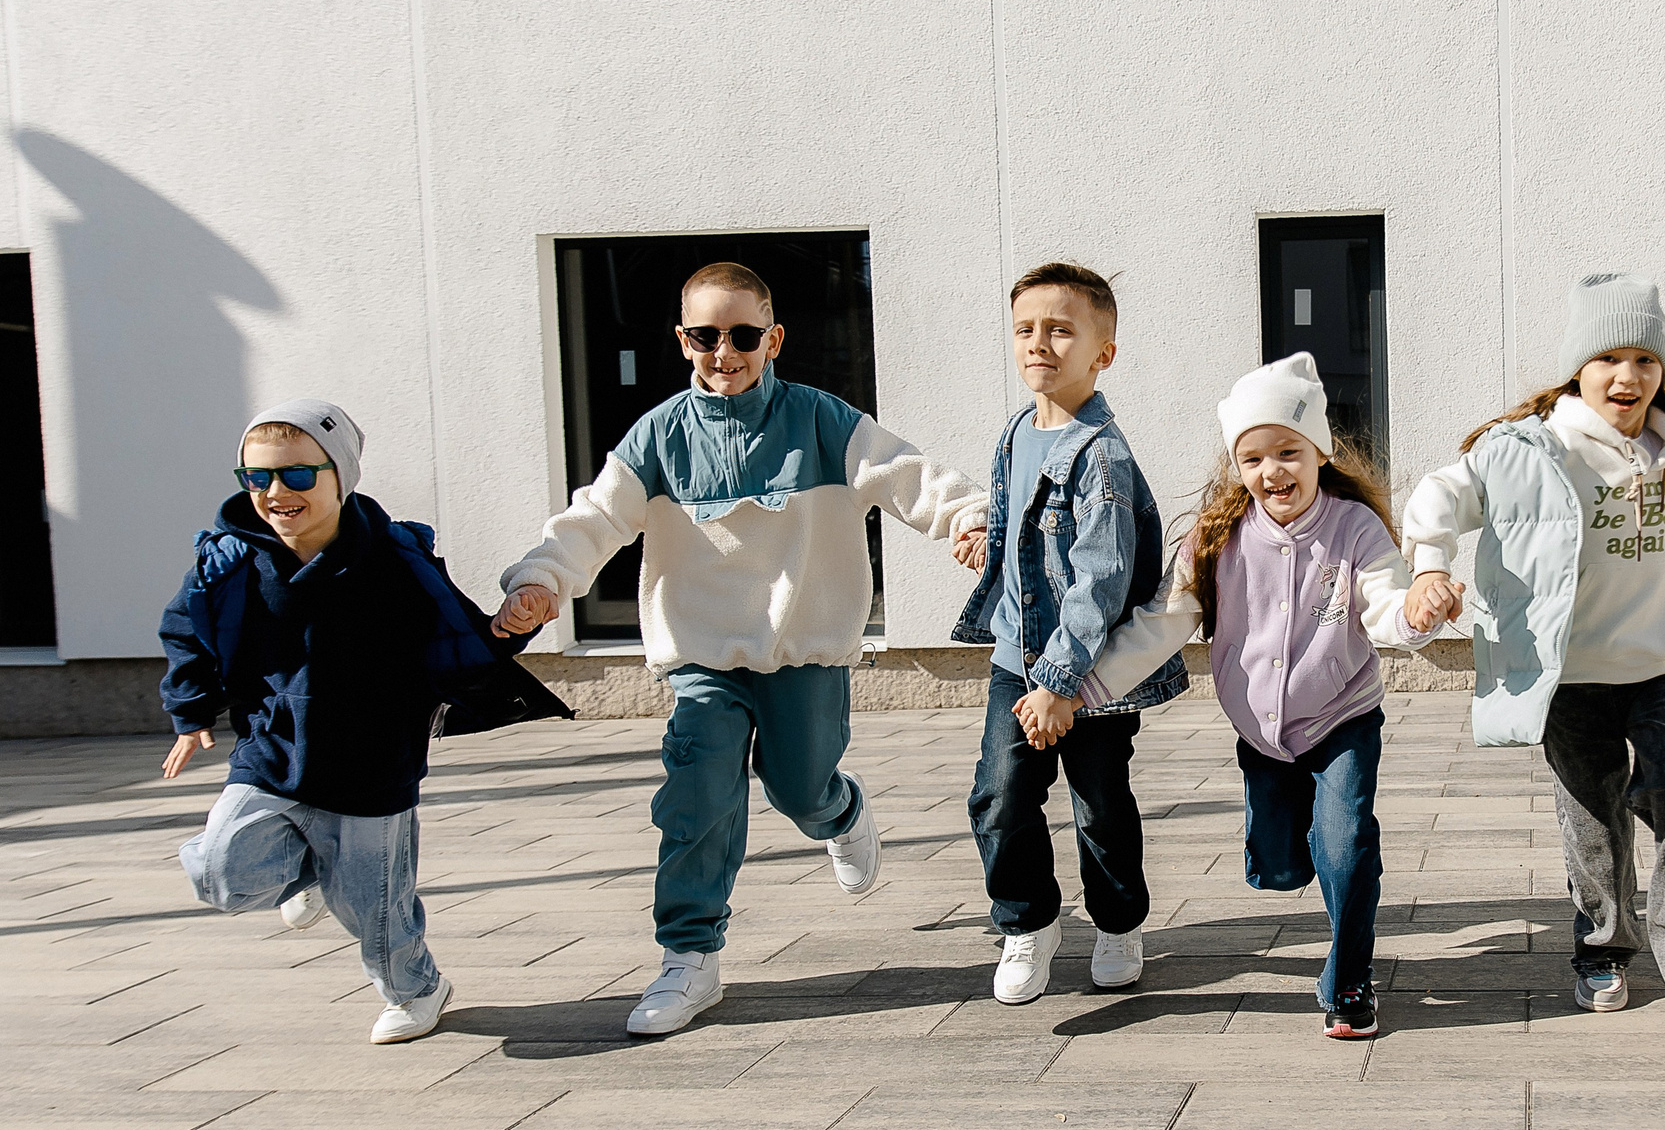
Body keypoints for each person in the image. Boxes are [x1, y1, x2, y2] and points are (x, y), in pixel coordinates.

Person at [495, 262, 988, 1036]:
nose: (723, 351)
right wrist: (542, 579)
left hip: (802, 652)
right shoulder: (658, 436)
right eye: (704, 335)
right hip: (701, 659)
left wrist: (968, 518)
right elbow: (594, 517)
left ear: (774, 339)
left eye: (743, 335)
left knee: (797, 786)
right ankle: (689, 955)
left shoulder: (823, 420)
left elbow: (908, 475)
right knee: (697, 794)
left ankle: (840, 809)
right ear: (683, 339)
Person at [1402, 274, 1665, 1029]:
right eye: (1608, 358)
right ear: (1579, 368)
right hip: (1572, 672)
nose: (1626, 376)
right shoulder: (1532, 450)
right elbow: (1443, 492)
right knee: (1593, 816)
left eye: (1644, 359)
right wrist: (1431, 565)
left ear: (1662, 371)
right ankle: (1602, 947)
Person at [160, 401, 569, 1043]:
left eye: (298, 476)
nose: (276, 493)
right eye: (257, 477)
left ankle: (416, 989)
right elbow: (186, 629)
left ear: (340, 476)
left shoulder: (394, 561)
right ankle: (313, 870)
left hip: (373, 765)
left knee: (375, 910)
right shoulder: (229, 563)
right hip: (273, 754)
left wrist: (509, 626)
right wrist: (189, 710)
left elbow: (454, 636)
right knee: (219, 872)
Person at [1064, 354, 1442, 1039]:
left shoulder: (1353, 529)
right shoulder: (1216, 536)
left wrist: (1416, 610)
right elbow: (1162, 624)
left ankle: (1350, 980)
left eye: (1289, 452)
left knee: (1346, 840)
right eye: (1255, 457)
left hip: (1341, 715)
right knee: (1280, 862)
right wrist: (1084, 689)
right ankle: (1292, 852)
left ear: (1319, 453)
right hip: (1261, 733)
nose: (1274, 471)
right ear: (1238, 466)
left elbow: (1386, 605)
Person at [951, 263, 1188, 1004]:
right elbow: (1028, 535)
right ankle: (1029, 921)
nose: (1039, 343)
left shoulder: (1104, 458)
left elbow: (1097, 584)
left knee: (1099, 802)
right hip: (1013, 655)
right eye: (1025, 329)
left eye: (1060, 329)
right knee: (999, 794)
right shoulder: (1019, 429)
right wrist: (985, 540)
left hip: (1089, 670)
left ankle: (1118, 921)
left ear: (1102, 352)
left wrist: (1059, 684)